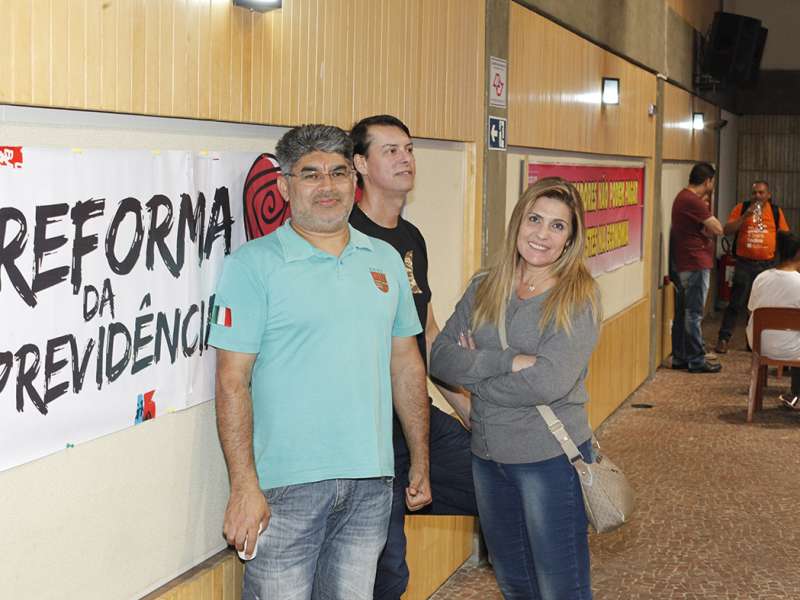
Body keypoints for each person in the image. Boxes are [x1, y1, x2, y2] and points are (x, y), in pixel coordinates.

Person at [208, 124, 432, 600]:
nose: (327, 187)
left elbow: (406, 365)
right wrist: (243, 485)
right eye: (310, 174)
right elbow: (232, 381)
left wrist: (419, 458)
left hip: (372, 483)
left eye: (338, 172)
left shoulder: (387, 260)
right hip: (285, 490)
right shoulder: (253, 265)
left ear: (355, 181)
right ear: (285, 186)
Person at [430, 177, 601, 599]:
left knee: (561, 587)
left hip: (549, 460)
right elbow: (440, 358)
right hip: (488, 458)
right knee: (515, 583)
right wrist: (505, 362)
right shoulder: (485, 285)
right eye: (535, 219)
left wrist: (475, 375)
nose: (542, 234)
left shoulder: (578, 297)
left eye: (558, 226)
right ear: (517, 223)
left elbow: (549, 381)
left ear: (570, 239)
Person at [348, 114, 477, 600]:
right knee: (388, 569)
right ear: (359, 163)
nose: (405, 158)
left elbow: (425, 329)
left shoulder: (411, 237)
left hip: (414, 416)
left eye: (409, 149)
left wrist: (464, 405)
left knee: (497, 479)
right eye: (390, 150)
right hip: (368, 433)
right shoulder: (348, 238)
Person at [715, 180, 790, 354]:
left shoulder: (776, 212)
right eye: (755, 193)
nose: (757, 196)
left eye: (761, 193)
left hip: (767, 264)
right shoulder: (741, 208)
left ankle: (755, 342)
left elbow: (785, 235)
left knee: (762, 306)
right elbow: (727, 230)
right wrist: (745, 217)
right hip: (744, 263)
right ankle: (723, 339)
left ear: (768, 195)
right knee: (736, 302)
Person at [669, 162, 724, 373]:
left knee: (684, 312)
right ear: (707, 180)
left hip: (685, 262)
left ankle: (681, 356)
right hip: (695, 262)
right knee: (693, 313)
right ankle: (696, 360)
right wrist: (706, 209)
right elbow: (718, 228)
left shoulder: (682, 197)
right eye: (712, 181)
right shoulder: (693, 201)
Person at [746, 231, 800, 408]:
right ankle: (796, 395)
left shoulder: (761, 278)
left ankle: (795, 396)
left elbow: (750, 311)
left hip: (759, 346)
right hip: (793, 350)